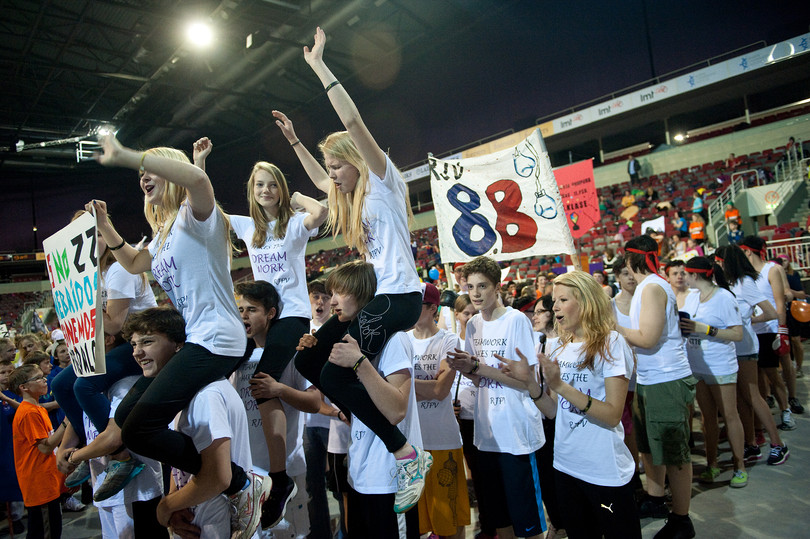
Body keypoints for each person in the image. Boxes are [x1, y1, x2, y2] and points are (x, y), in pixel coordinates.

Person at [87, 134, 268, 539]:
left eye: (150, 170)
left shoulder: (196, 215)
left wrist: (128, 155)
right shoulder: (165, 232)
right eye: (140, 174)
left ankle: (238, 481)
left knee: (139, 430)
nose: (143, 178)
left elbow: (199, 181)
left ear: (170, 172)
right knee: (127, 418)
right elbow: (135, 262)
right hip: (198, 340)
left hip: (218, 339)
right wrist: (106, 226)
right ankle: (226, 479)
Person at [281, 27, 429, 514]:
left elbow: (352, 119)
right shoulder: (354, 198)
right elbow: (319, 181)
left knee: (337, 370)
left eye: (337, 166)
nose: (332, 175)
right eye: (329, 168)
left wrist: (319, 66)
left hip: (400, 298)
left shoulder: (384, 181)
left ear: (356, 161)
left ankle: (404, 452)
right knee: (309, 362)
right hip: (376, 298)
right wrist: (295, 142)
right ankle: (359, 409)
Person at [201, 141, 327, 525]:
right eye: (259, 185)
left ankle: (279, 477)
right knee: (215, 371)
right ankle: (219, 461)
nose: (266, 190)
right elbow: (206, 209)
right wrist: (200, 162)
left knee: (262, 382)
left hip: (291, 316)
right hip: (260, 316)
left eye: (272, 184)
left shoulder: (294, 223)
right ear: (252, 191)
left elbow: (321, 212)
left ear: (281, 189)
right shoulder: (248, 226)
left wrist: (298, 197)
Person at [503, 271, 641, 539]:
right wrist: (530, 383)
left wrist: (561, 386)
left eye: (563, 300)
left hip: (605, 471)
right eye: (554, 300)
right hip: (566, 466)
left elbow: (613, 414)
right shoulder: (560, 348)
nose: (554, 307)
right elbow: (554, 411)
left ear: (586, 302)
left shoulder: (611, 343)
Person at [300, 260, 423, 538]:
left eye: (340, 293)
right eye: (331, 293)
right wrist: (312, 354)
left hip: (391, 477)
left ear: (364, 293)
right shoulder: (348, 338)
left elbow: (396, 410)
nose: (332, 301)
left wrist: (359, 363)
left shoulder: (395, 339)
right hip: (360, 471)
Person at [52, 209, 157, 502]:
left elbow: (114, 325)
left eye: (96, 234)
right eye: (81, 237)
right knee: (60, 385)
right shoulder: (88, 274)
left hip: (141, 342)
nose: (90, 241)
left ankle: (120, 455)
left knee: (84, 385)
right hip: (114, 344)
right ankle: (86, 447)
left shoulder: (118, 270)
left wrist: (81, 303)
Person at [446, 256, 546, 539]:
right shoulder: (473, 325)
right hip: (486, 433)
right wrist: (466, 368)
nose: (475, 293)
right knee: (499, 517)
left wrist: (478, 367)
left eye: (483, 286)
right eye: (470, 287)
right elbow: (480, 379)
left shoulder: (515, 321)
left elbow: (528, 381)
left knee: (527, 522)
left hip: (516, 432)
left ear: (497, 287)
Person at [617, 234, 696, 538]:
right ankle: (655, 498)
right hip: (651, 377)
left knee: (674, 453)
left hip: (666, 377)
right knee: (651, 447)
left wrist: (613, 327)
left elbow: (648, 338)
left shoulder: (651, 287)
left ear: (629, 260)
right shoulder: (648, 286)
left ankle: (681, 519)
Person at [232, 281, 321, 536]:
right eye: (240, 310)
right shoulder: (237, 358)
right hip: (247, 472)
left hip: (287, 469)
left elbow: (315, 402)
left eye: (252, 310)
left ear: (271, 313)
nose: (244, 316)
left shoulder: (293, 352)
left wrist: (279, 390)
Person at [714, 245, 788, 465]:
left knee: (753, 396)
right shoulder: (727, 283)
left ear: (727, 261)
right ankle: (751, 444)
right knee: (741, 400)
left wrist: (748, 320)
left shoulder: (744, 282)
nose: (717, 265)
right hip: (730, 348)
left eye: (719, 261)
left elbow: (771, 312)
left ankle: (778, 444)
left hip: (745, 347)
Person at [679, 257, 748, 487]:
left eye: (686, 273)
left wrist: (706, 329)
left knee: (729, 415)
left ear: (695, 275)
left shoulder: (724, 297)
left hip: (720, 365)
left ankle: (739, 466)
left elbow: (737, 334)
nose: (683, 277)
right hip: (697, 365)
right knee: (707, 418)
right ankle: (712, 463)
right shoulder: (692, 297)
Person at [408, 283, 470, 539]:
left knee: (450, 517)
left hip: (443, 439)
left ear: (433, 308)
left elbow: (441, 390)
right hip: (413, 443)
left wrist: (403, 385)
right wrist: (427, 385)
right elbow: (432, 387)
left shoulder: (449, 340)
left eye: (417, 304)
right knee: (418, 523)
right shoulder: (401, 340)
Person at [738, 236, 803, 425]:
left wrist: (782, 329)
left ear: (748, 251)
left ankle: (790, 402)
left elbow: (780, 302)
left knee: (779, 369)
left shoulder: (772, 269)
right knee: (759, 373)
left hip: (772, 327)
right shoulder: (744, 275)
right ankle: (768, 401)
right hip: (754, 329)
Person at [9, 363, 69, 539]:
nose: (44, 380)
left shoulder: (37, 409)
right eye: (38, 378)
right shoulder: (29, 413)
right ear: (24, 387)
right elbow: (45, 447)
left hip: (47, 479)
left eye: (43, 377)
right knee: (45, 533)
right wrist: (67, 423)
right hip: (39, 483)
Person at [530, 295, 566, 539]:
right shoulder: (538, 343)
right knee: (545, 476)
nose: (534, 316)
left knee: (559, 476)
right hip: (541, 418)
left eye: (539, 311)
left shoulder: (564, 344)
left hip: (560, 417)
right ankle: (557, 521)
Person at [0, 358, 24, 536]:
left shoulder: (15, 395)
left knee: (13, 480)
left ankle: (16, 518)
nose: (6, 376)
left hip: (13, 444)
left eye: (10, 372)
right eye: (2, 373)